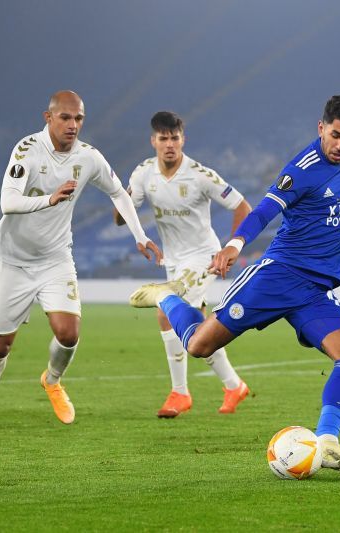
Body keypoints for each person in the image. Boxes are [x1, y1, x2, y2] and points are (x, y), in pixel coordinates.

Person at [129, 95, 340, 472]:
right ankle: (166, 297)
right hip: (277, 277)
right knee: (199, 345)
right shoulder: (302, 169)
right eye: (334, 136)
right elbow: (264, 209)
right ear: (321, 128)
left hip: (314, 291)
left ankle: (327, 441)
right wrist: (235, 244)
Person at [0, 90, 162, 438]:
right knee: (0, 345)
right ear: (48, 118)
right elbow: (7, 202)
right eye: (66, 118)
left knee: (69, 333)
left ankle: (52, 381)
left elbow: (118, 191)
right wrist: (49, 198)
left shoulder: (88, 157)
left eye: (79, 119)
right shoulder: (26, 150)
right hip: (12, 260)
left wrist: (139, 234)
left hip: (55, 257)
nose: (73, 125)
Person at [116, 111, 253, 418]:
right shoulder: (143, 174)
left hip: (204, 257)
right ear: (153, 141)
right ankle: (234, 385)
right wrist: (120, 201)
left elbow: (243, 206)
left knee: (166, 309)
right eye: (163, 138)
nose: (169, 145)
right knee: (198, 327)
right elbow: (121, 214)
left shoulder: (200, 175)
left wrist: (231, 248)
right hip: (174, 261)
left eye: (174, 138)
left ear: (183, 140)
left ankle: (180, 393)